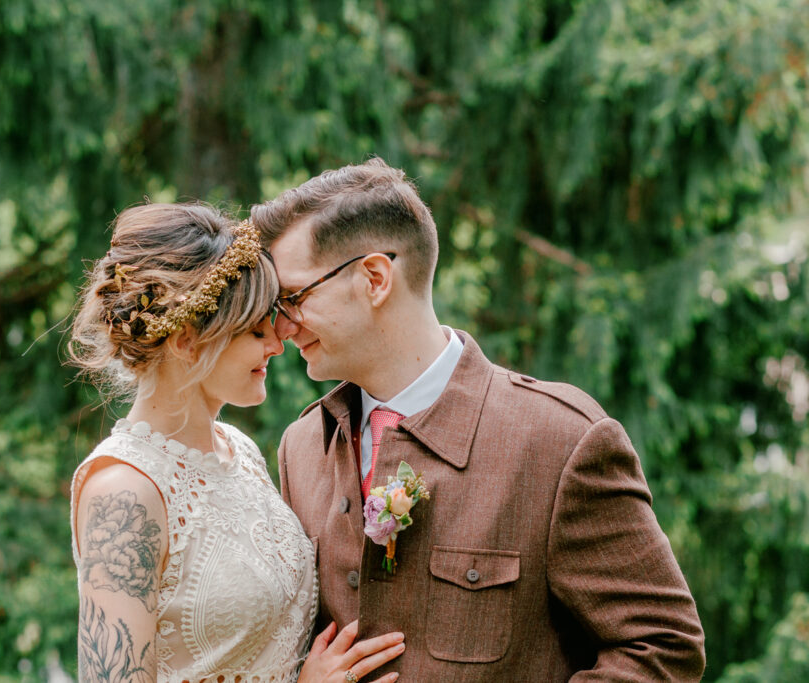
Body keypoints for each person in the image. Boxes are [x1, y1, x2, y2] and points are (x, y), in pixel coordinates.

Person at [251, 158, 707, 681]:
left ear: (374, 279)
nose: (279, 326)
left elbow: (662, 645)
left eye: (292, 297)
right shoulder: (302, 445)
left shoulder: (562, 441)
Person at [66, 203, 405, 682]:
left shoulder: (241, 452)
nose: (277, 342)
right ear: (186, 339)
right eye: (255, 329)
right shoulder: (123, 490)